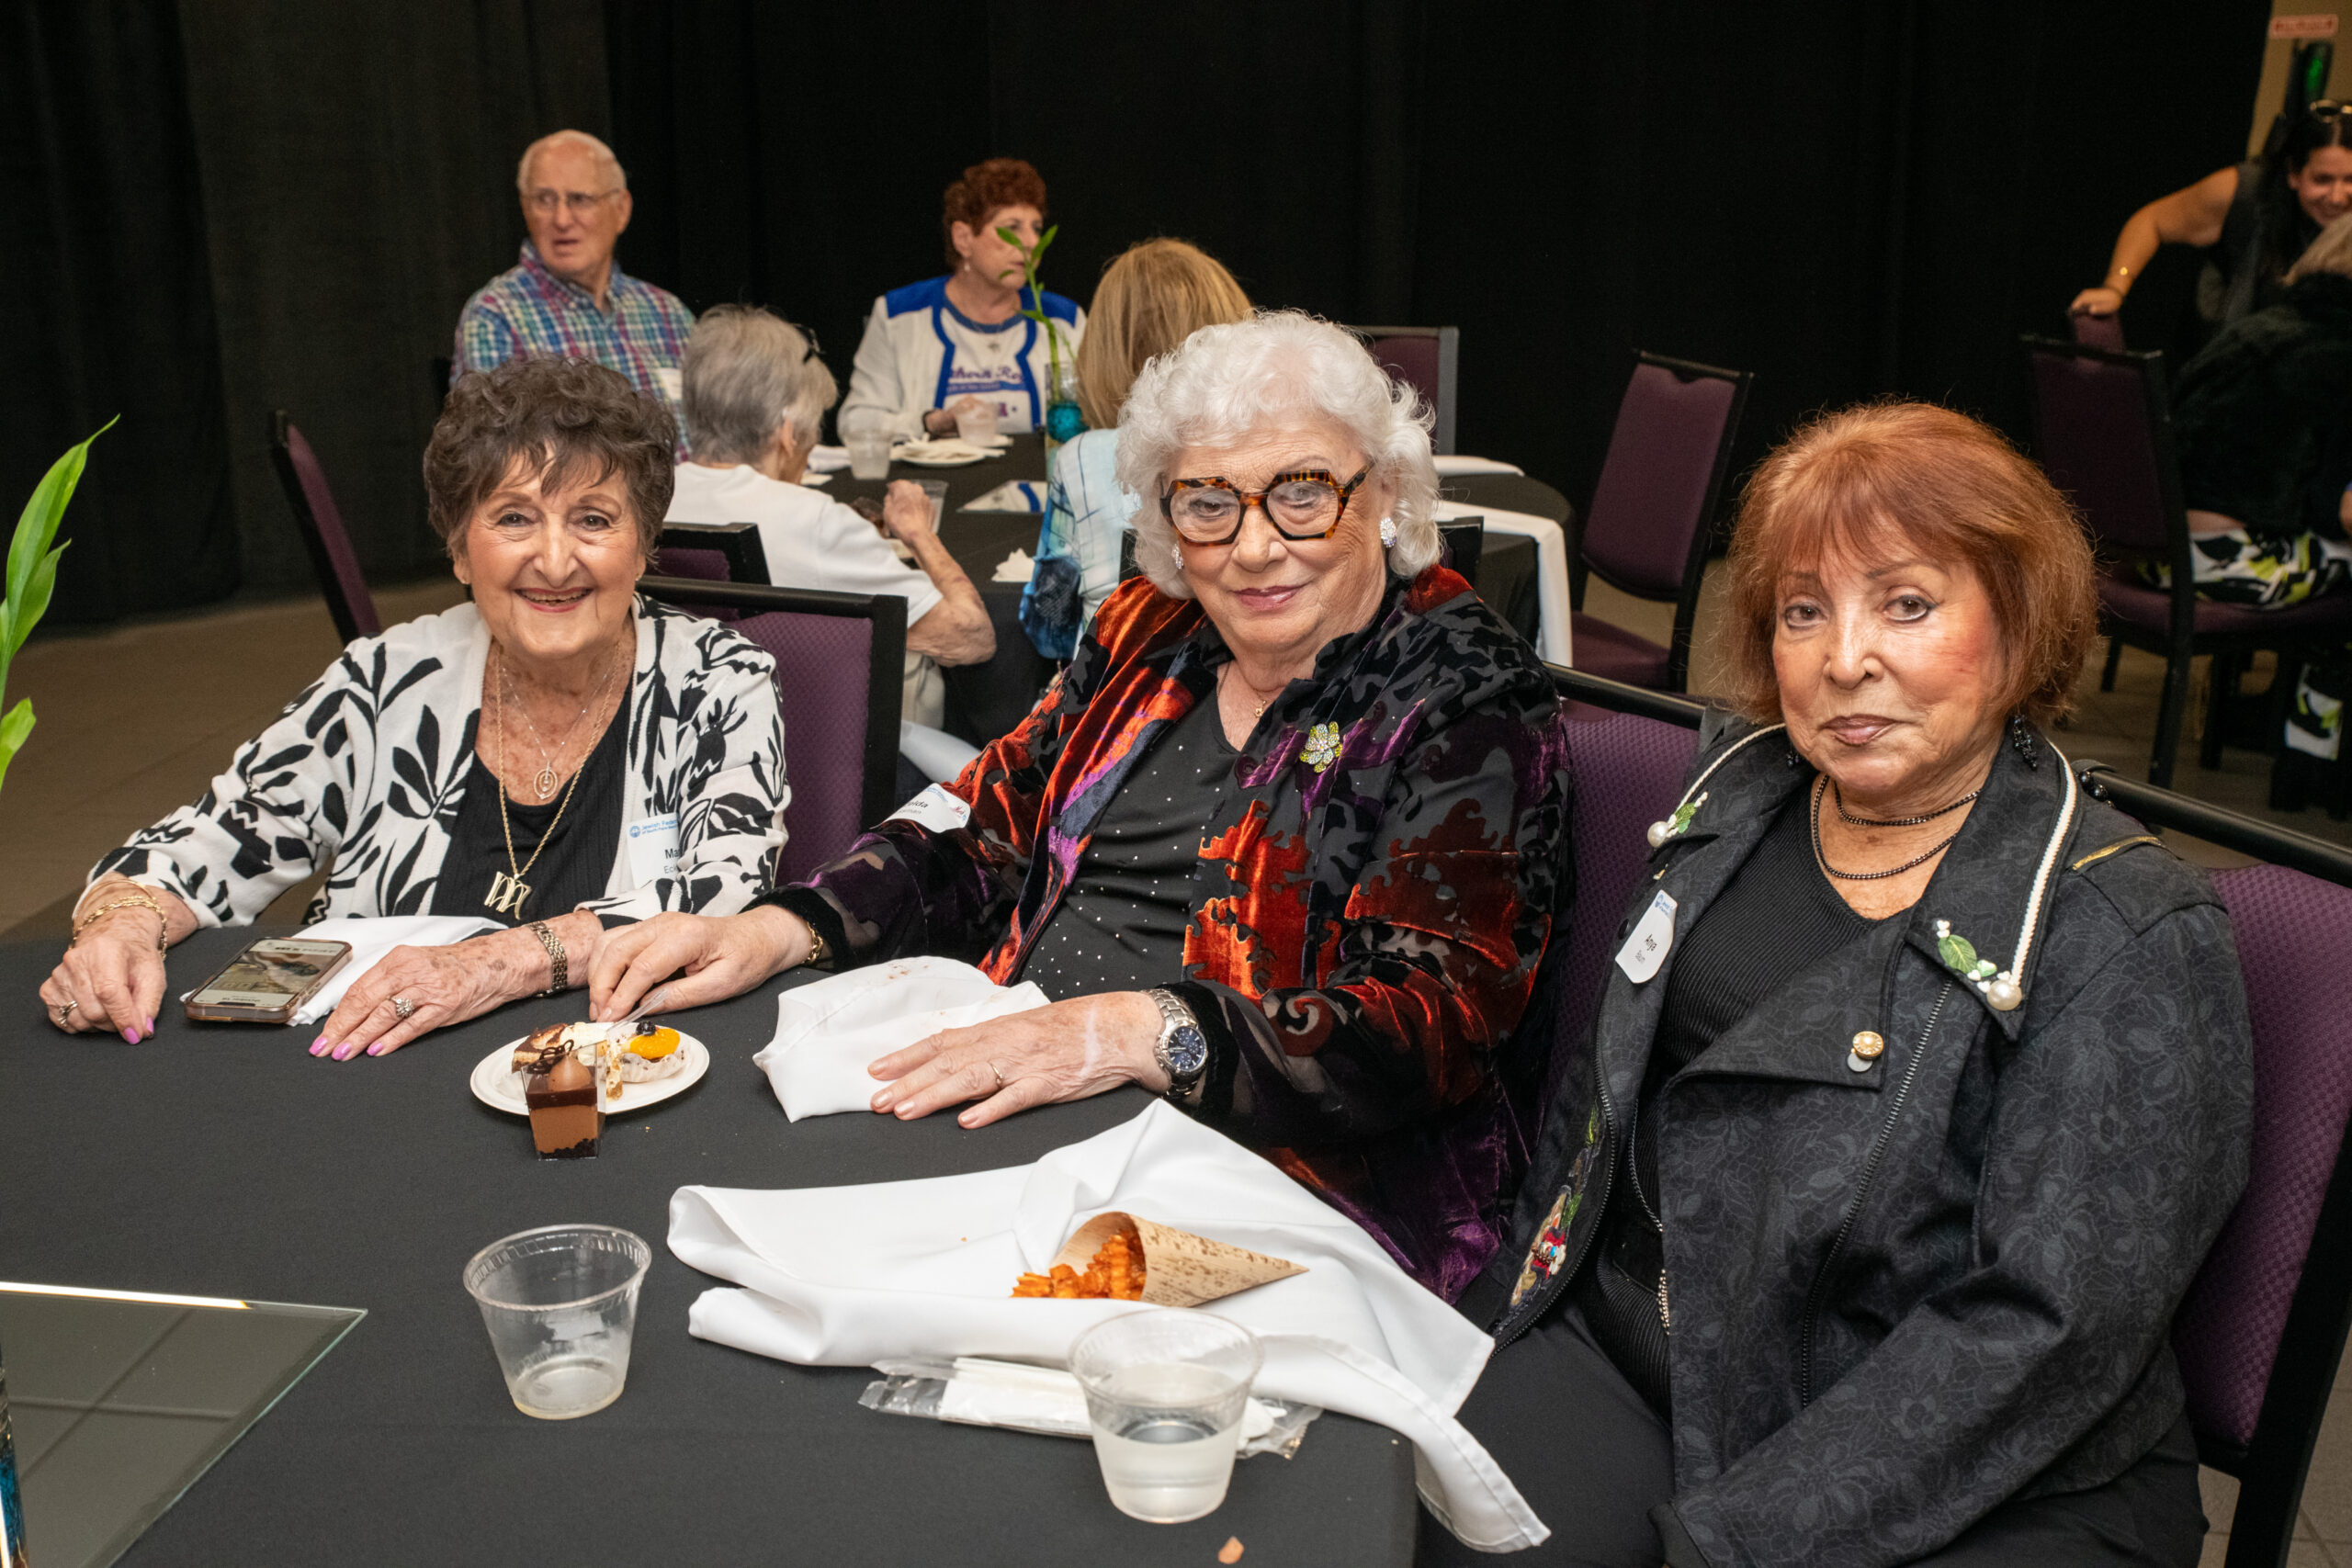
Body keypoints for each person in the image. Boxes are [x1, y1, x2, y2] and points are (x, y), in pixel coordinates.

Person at [594, 311, 1573, 1299]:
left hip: (1273, 1179)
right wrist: (791, 923)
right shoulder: (1148, 628)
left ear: (1388, 493)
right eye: (1207, 504)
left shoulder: (1463, 695)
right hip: (1019, 1086)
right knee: (711, 1210)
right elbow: (980, 821)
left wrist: (1128, 1035)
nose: (1255, 547)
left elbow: (1425, 1022)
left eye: (1303, 494)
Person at [1436, 403, 2251, 1567]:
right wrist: (1491, 1328)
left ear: (2019, 628)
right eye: (1802, 612)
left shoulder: (2129, 932)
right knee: (1381, 1503)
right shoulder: (1732, 799)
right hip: (1658, 1353)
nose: (1843, 658)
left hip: (1972, 1468)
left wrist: (1739, 1539)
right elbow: (1598, 1107)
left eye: (1906, 605)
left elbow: (2043, 1335)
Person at [47, 358, 786, 1061]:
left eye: (593, 519)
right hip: (368, 1072)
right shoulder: (386, 679)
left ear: (645, 544)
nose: (556, 560)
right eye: (515, 519)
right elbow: (218, 837)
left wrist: (497, 962)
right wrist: (122, 925)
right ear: (461, 551)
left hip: (613, 1074)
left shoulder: (720, 681)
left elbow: (720, 897)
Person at [667, 304, 995, 729]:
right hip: (815, 748)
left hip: (680, 739)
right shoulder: (814, 522)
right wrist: (918, 534)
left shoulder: (646, 499)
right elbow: (970, 637)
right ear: (787, 431)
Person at [2167, 213, 2352, 761]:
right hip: (2240, 566)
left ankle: (2299, 748)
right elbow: (2336, 510)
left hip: (2164, 554)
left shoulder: (2257, 327)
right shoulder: (2342, 357)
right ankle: (2311, 753)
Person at [1018, 239, 1252, 659]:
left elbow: (1048, 631)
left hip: (1110, 704)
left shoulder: (1082, 458)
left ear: (1103, 348)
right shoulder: (1268, 452)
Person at [452, 130, 694, 445]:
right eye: (544, 200)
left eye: (580, 199)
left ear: (621, 210)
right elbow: (492, 456)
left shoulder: (668, 314)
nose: (562, 219)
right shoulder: (495, 316)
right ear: (526, 210)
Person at [842, 158, 1085, 440]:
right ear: (963, 238)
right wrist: (929, 422)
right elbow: (855, 423)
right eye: (1013, 228)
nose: (1031, 242)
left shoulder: (1063, 320)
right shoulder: (900, 314)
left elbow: (1100, 415)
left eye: (1036, 228)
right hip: (933, 484)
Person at [2070, 100, 2352, 341]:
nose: (2338, 197)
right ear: (2293, 173)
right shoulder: (2248, 194)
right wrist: (2114, 287)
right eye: (2322, 180)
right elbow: (2152, 221)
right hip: (2231, 370)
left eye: (2350, 180)